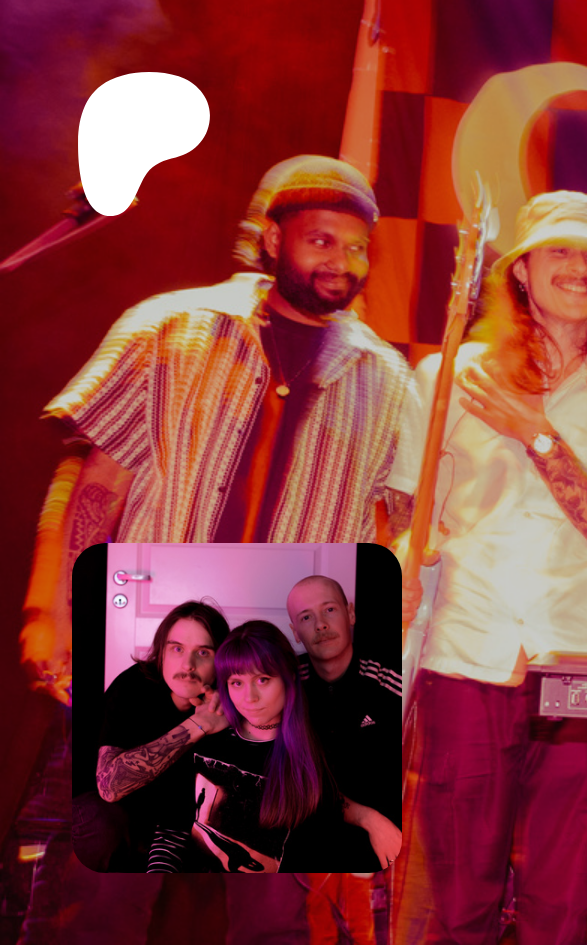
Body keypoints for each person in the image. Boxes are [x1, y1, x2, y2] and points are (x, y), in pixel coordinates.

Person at [13, 154, 409, 943]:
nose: (343, 261)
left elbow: (382, 539)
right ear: (272, 238)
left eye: (358, 247)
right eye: (322, 240)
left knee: (271, 906)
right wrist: (50, 611)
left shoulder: (387, 379)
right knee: (102, 892)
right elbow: (94, 485)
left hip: (279, 677)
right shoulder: (171, 327)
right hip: (147, 646)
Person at [388, 190, 587, 944]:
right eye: (560, 251)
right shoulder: (449, 375)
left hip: (583, 664)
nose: (579, 267)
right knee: (459, 900)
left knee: (562, 904)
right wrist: (400, 561)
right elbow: (408, 511)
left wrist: (538, 434)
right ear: (522, 271)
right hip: (466, 653)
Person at [155, 622, 343, 872]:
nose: (249, 697)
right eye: (236, 683)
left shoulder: (315, 754)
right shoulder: (207, 739)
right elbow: (170, 832)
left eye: (262, 680)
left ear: (290, 677)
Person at [287, 574, 397, 943]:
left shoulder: (389, 681)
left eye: (329, 610)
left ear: (350, 613)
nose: (320, 624)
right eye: (306, 617)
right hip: (312, 834)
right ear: (295, 632)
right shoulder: (284, 686)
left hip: (381, 840)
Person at [84, 601, 232, 872]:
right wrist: (199, 724)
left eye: (203, 652)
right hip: (124, 814)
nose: (188, 665)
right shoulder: (133, 686)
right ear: (161, 653)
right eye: (177, 649)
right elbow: (109, 786)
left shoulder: (233, 697)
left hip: (181, 826)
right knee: (94, 824)